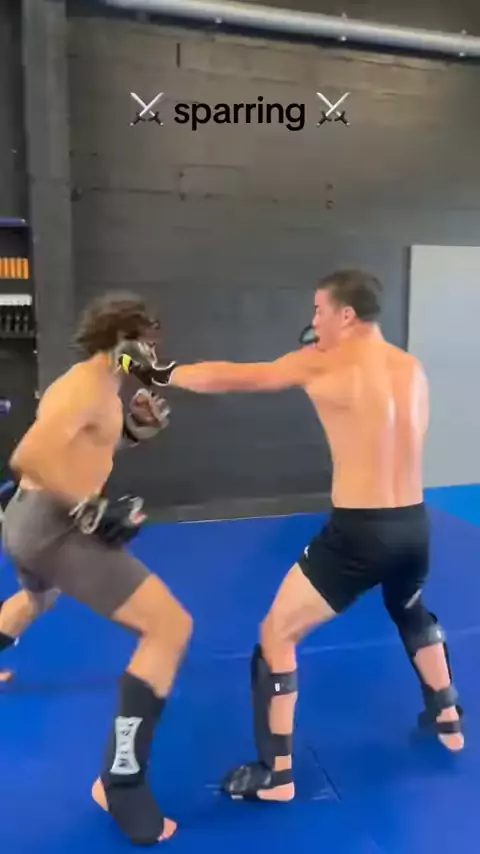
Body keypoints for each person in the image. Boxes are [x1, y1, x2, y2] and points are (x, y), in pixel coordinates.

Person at [148, 268, 464, 803]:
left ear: (347, 314)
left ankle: (276, 774)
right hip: (415, 525)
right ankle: (448, 716)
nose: (313, 320)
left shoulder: (320, 363)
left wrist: (160, 373)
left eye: (320, 310)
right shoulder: (411, 368)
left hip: (359, 533)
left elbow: (232, 377)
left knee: (276, 634)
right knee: (410, 609)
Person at [0, 292, 191, 845]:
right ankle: (120, 783)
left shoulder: (106, 385)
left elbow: (83, 449)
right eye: (146, 342)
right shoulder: (85, 386)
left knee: (38, 599)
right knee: (169, 627)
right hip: (50, 527)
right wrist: (89, 506)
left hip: (28, 523)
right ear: (121, 338)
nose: (152, 353)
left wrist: (132, 430)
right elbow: (29, 456)